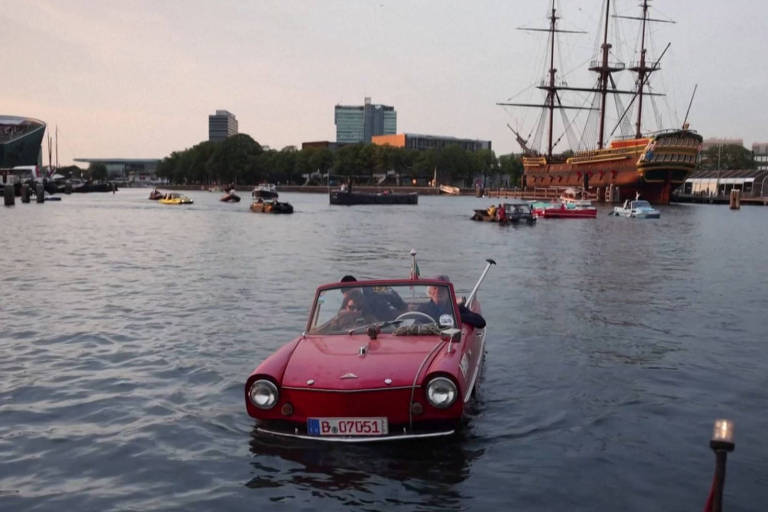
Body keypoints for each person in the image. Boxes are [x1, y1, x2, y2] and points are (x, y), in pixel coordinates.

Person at [418, 275, 486, 328]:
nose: (438, 292)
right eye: (435, 288)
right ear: (429, 292)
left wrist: (455, 317)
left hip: (449, 340)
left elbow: (481, 322)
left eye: (442, 288)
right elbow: (416, 324)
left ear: (448, 293)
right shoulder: (424, 308)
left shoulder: (456, 308)